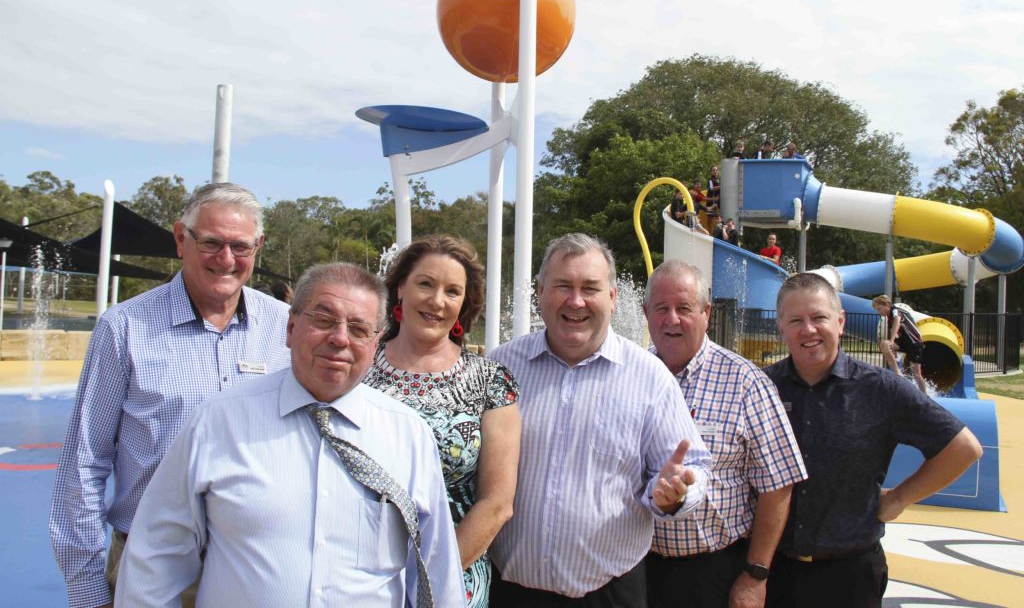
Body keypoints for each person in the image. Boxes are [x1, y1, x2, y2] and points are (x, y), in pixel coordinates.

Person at [112, 262, 466, 607]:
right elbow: (156, 556)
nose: (340, 338)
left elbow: (437, 567)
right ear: (291, 328)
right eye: (323, 320)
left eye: (359, 329)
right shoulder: (220, 422)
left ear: (375, 345)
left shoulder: (407, 435)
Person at [49, 182, 292, 608]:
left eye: (241, 246)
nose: (227, 259)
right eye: (212, 243)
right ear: (181, 238)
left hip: (257, 567)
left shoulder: (284, 328)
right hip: (150, 563)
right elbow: (84, 463)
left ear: (259, 247)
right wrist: (88, 592)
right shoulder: (124, 328)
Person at [488, 233, 712, 607]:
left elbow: (692, 468)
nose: (576, 301)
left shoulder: (649, 377)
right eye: (563, 286)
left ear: (612, 297)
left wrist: (676, 492)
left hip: (609, 594)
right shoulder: (501, 367)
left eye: (590, 288)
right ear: (540, 292)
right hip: (510, 592)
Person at [764, 273, 983, 608]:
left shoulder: (880, 389)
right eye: (796, 320)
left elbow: (963, 448)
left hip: (849, 576)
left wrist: (899, 498)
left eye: (819, 317)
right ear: (781, 327)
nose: (808, 329)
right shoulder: (762, 388)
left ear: (840, 322)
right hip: (771, 572)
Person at [365, 235, 521, 607]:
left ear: (464, 303)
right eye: (425, 283)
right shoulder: (357, 366)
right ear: (401, 287)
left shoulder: (490, 381)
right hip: (359, 582)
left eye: (452, 291)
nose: (437, 301)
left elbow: (496, 503)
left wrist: (427, 584)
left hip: (453, 585)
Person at [643, 262, 807, 608]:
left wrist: (755, 576)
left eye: (684, 308)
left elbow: (778, 485)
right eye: (662, 308)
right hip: (637, 570)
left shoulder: (746, 383)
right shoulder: (632, 377)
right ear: (646, 313)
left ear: (706, 312)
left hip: (713, 573)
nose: (672, 319)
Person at [871, 295, 927, 392]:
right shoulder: (888, 318)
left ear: (887, 305)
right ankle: (898, 372)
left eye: (880, 309)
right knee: (884, 344)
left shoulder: (895, 311)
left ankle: (925, 395)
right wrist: (892, 348)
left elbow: (897, 321)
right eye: (877, 310)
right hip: (904, 342)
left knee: (917, 374)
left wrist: (892, 341)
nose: (879, 312)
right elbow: (893, 330)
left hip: (914, 343)